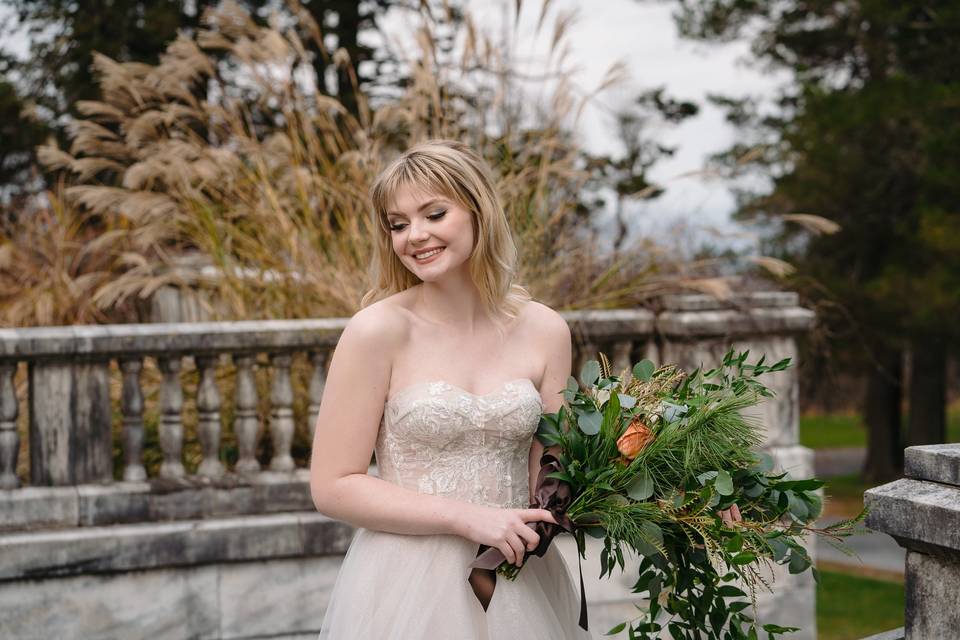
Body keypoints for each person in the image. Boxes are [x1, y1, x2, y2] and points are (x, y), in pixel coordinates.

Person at [310, 139, 594, 639]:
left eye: (434, 214)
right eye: (398, 224)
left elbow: (555, 476)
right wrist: (469, 519)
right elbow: (333, 485)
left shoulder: (545, 330)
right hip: (406, 583)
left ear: (478, 211)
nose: (414, 236)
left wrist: (679, 488)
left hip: (519, 578)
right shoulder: (376, 332)